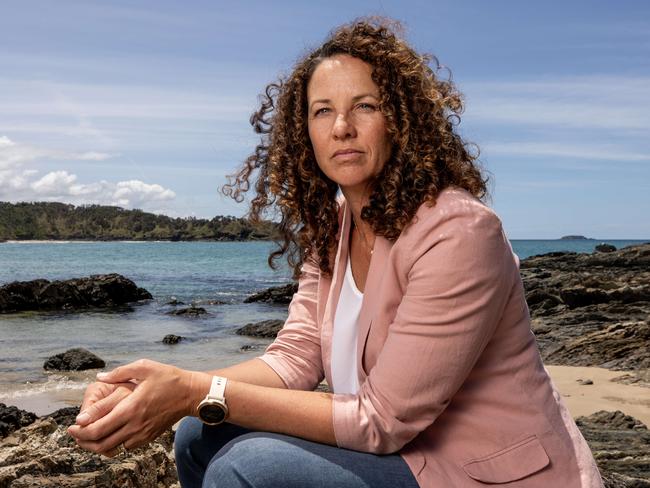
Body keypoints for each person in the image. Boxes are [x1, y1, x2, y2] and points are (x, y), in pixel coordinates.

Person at [68, 19, 604, 487]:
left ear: (400, 120)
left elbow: (382, 420)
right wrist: (163, 385)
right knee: (197, 435)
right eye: (323, 111)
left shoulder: (459, 231)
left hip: (476, 471)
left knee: (248, 467)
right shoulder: (335, 227)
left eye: (364, 106)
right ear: (305, 134)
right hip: (402, 454)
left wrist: (193, 390)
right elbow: (295, 358)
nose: (342, 127)